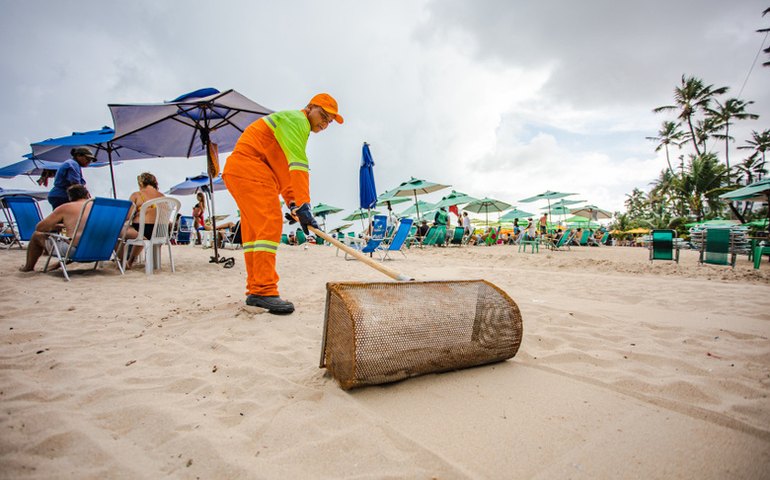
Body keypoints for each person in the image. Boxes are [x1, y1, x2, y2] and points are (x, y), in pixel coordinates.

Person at [222, 93, 342, 314]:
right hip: (250, 168)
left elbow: (283, 170)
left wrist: (294, 203)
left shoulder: (289, 126)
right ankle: (264, 291)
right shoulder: (298, 121)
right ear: (309, 108)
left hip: (244, 171)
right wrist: (305, 204)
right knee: (270, 223)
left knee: (254, 235)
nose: (324, 123)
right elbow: (298, 164)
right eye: (323, 116)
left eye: (329, 121)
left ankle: (256, 289)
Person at [20, 185, 92, 272]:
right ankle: (58, 264)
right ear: (88, 195)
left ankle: (28, 267)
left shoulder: (66, 207)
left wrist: (53, 226)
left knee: (36, 236)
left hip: (76, 252)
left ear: (70, 197)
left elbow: (39, 228)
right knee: (76, 241)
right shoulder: (97, 207)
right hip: (100, 250)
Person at [125, 172, 166, 268]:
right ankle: (132, 259)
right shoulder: (162, 196)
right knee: (142, 234)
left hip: (143, 229)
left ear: (141, 183)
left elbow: (127, 216)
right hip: (161, 231)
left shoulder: (137, 195)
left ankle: (126, 261)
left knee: (122, 231)